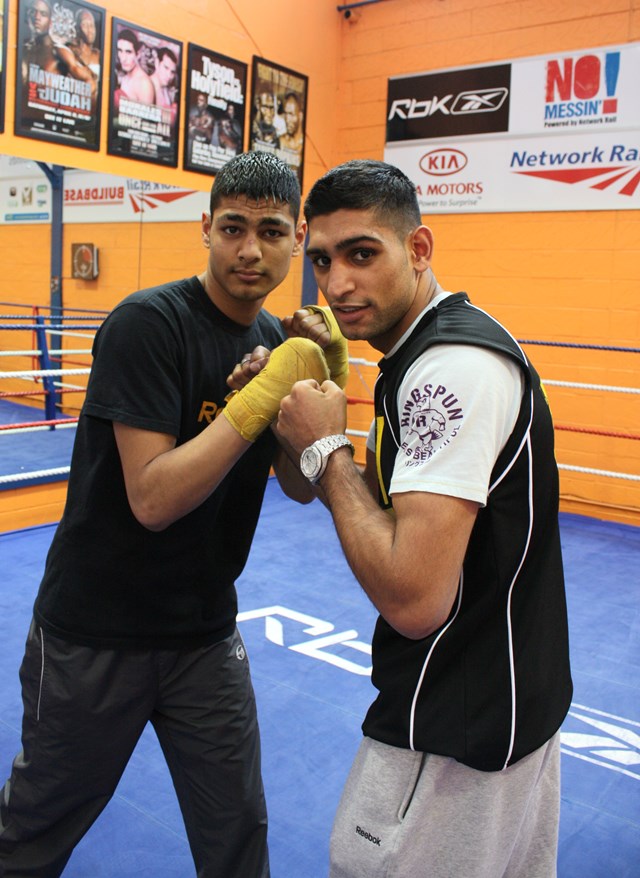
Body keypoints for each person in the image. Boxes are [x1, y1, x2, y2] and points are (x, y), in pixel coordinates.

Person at [0, 151, 347, 878]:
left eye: (271, 231)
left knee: (237, 834)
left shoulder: (276, 344)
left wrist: (322, 387)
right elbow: (152, 499)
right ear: (205, 228)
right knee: (35, 832)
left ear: (297, 239)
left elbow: (300, 489)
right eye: (233, 228)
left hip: (204, 637)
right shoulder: (147, 325)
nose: (250, 250)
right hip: (97, 637)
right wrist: (258, 401)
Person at [276, 159, 573, 878]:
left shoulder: (449, 370)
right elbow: (357, 507)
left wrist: (324, 446)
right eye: (321, 260)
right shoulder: (428, 352)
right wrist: (302, 432)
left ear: (418, 250)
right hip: (508, 709)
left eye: (362, 253)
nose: (337, 282)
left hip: (452, 728)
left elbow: (414, 599)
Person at [114, 27, 154, 105]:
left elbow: (146, 117)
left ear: (138, 54)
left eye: (128, 52)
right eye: (120, 51)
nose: (123, 58)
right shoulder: (125, 77)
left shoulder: (143, 83)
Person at [151, 46, 178, 111]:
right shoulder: (146, 86)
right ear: (157, 63)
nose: (169, 76)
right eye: (166, 68)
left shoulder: (166, 89)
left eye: (172, 72)